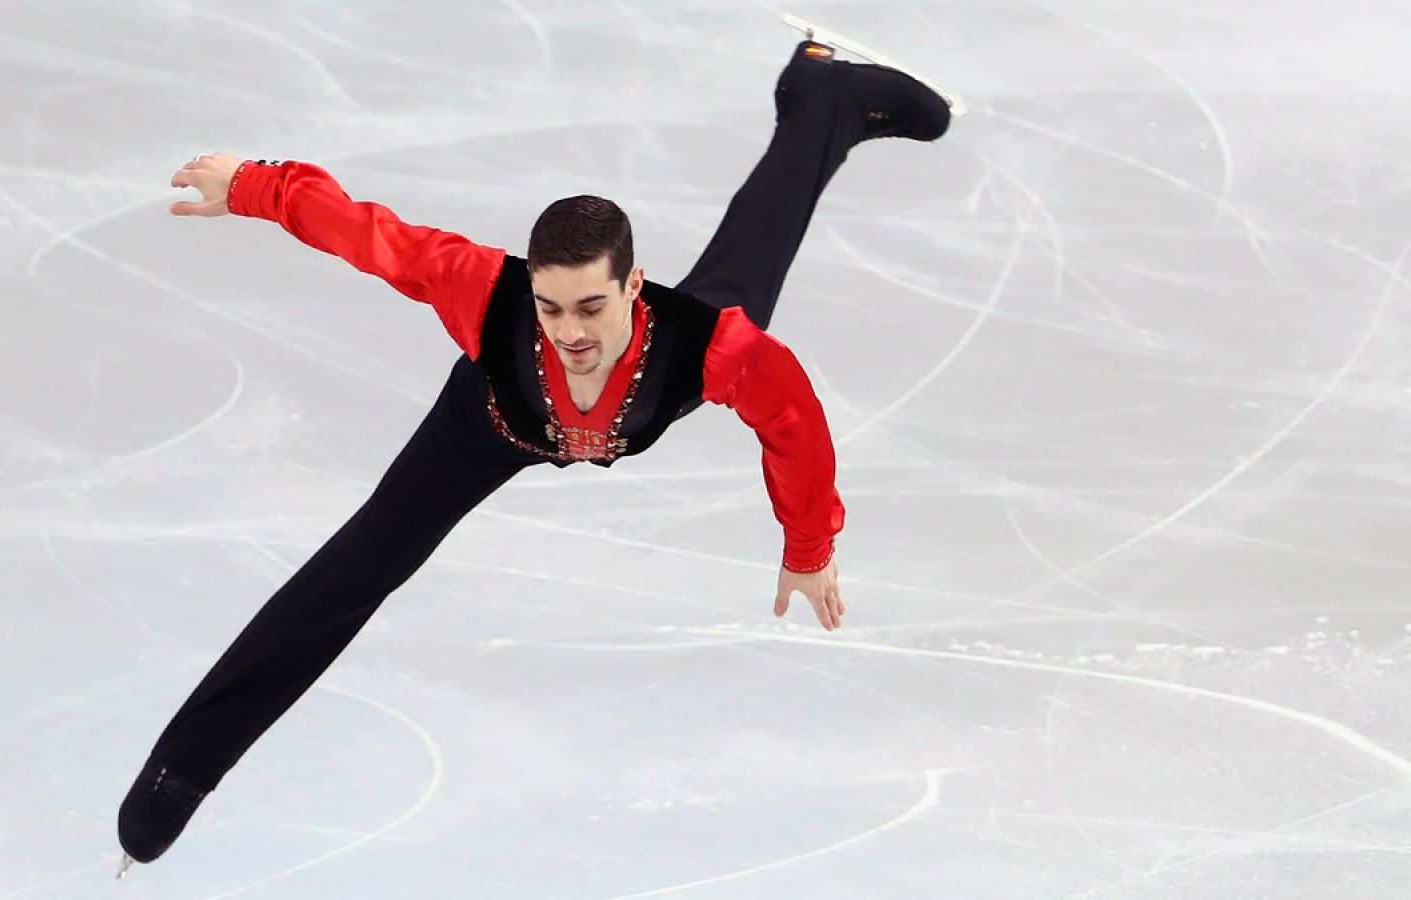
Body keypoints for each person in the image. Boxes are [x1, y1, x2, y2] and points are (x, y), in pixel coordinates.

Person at [118, 38, 952, 868]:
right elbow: (369, 236)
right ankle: (182, 769)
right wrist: (255, 187)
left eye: (592, 305)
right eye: (551, 309)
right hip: (487, 426)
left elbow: (796, 425)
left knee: (752, 266)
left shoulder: (712, 350)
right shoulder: (486, 295)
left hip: (654, 386)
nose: (571, 333)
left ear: (634, 287)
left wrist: (808, 546)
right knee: (356, 567)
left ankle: (824, 99)